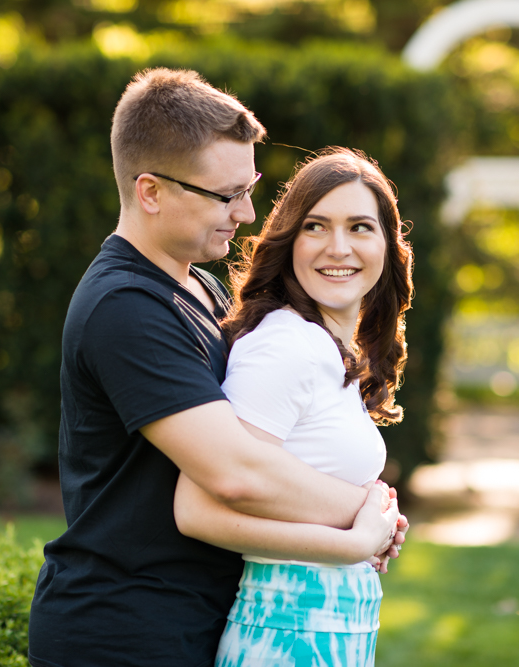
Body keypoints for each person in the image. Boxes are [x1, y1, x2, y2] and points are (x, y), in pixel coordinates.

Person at [27, 69, 405, 667]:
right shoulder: (124, 308)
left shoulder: (199, 290)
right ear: (150, 191)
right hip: (125, 633)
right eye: (227, 195)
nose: (249, 213)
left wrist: (367, 516)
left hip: (193, 621)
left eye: (249, 186)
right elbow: (234, 472)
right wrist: (364, 516)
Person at [173, 147, 414, 666]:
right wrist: (354, 541)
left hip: (334, 630)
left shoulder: (327, 349)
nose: (338, 247)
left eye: (360, 227)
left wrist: (372, 522)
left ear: (389, 246)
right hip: (286, 633)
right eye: (316, 226)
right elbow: (198, 510)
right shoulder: (285, 345)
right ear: (290, 240)